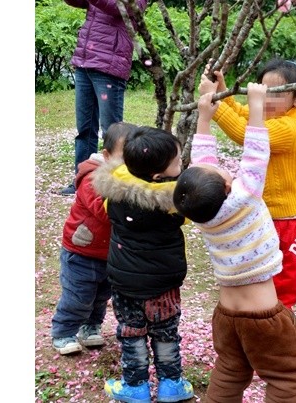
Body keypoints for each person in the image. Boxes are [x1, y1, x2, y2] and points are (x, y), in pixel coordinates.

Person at [173, 83, 296, 402]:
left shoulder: (203, 215)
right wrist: (257, 106)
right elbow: (256, 153)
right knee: (286, 377)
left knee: (231, 371)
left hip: (226, 316)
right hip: (264, 317)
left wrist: (205, 117)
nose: (218, 164)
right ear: (228, 184)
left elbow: (203, 163)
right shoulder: (245, 196)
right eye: (220, 170)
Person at [199, 58, 296, 310]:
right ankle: (264, 319)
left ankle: (281, 323)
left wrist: (213, 108)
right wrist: (221, 91)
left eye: (274, 94)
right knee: (262, 274)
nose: (264, 101)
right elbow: (244, 112)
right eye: (262, 91)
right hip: (268, 214)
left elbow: (246, 134)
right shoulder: (271, 115)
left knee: (282, 283)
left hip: (286, 218)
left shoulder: (290, 125)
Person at [92, 125, 194, 403]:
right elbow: (189, 213)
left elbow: (114, 190)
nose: (181, 164)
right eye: (177, 161)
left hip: (125, 283)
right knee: (165, 332)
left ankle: (136, 386)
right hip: (164, 284)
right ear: (159, 175)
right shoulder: (175, 204)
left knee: (131, 332)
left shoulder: (114, 196)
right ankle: (171, 384)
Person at [51, 122, 129, 355]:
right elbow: (103, 210)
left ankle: (91, 327)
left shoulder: (130, 179)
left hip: (109, 253)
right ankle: (63, 332)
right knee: (78, 295)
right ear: (107, 155)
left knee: (102, 295)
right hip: (81, 250)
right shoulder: (92, 176)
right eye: (124, 157)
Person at [59, 0, 148, 195]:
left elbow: (124, 8)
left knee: (112, 132)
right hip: (85, 61)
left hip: (110, 65)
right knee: (84, 129)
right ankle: (81, 182)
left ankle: (115, 184)